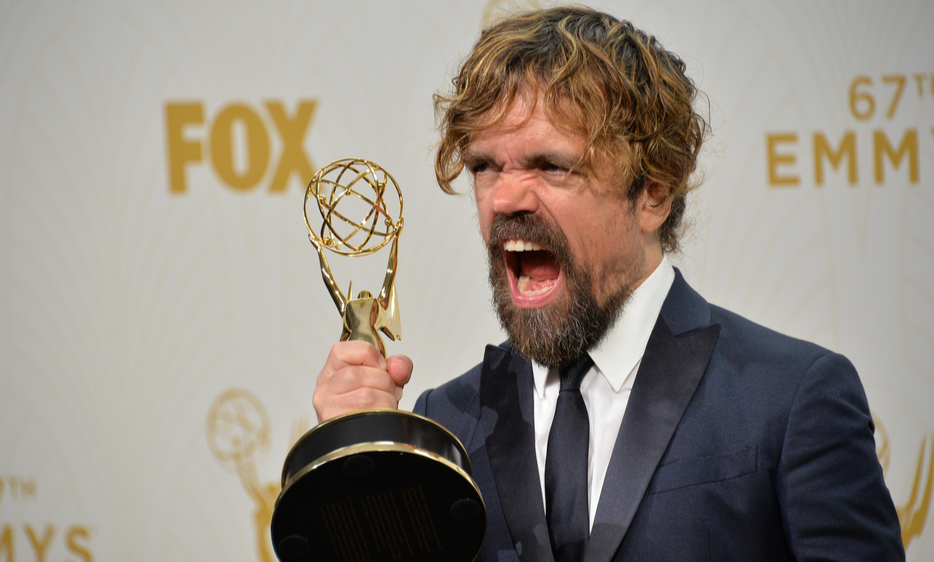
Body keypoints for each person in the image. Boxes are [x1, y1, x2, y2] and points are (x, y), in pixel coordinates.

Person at [312, 6, 904, 561]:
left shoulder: (789, 399)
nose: (504, 198)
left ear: (654, 192)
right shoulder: (446, 425)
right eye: (484, 166)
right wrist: (354, 481)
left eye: (551, 165)